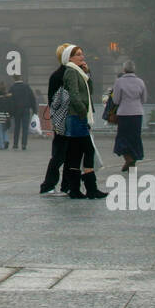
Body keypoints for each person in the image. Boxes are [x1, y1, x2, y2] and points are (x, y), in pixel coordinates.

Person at [60, 45, 104, 198]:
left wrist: (87, 73)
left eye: (82, 54)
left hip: (76, 116)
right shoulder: (71, 72)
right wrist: (82, 112)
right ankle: (91, 188)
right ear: (70, 58)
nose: (82, 57)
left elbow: (89, 91)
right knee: (88, 150)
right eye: (78, 54)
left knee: (76, 153)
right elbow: (73, 94)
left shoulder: (79, 72)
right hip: (76, 116)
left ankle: (75, 189)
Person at [39, 44, 71, 195]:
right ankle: (48, 184)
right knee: (60, 154)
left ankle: (65, 184)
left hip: (67, 118)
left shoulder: (68, 74)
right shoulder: (60, 76)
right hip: (63, 119)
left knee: (67, 153)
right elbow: (55, 100)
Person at [112, 60, 147, 171]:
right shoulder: (140, 82)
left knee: (123, 137)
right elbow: (144, 99)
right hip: (137, 113)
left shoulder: (119, 82)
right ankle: (134, 158)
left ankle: (128, 158)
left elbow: (116, 100)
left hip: (124, 113)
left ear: (124, 69)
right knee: (135, 137)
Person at [10, 75, 37, 151]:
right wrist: (34, 110)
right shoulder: (26, 87)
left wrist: (11, 112)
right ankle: (24, 144)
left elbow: (10, 101)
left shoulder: (12, 88)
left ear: (14, 79)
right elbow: (32, 98)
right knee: (25, 128)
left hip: (16, 110)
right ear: (21, 78)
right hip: (26, 109)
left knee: (17, 127)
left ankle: (15, 144)